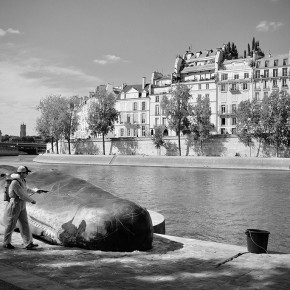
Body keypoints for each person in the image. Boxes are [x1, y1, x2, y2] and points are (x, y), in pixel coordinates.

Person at [3, 165, 46, 250]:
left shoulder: (22, 180)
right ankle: (6, 243)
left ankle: (28, 243)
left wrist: (36, 191)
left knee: (24, 223)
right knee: (11, 224)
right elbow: (22, 195)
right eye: (26, 172)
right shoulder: (15, 182)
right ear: (22, 173)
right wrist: (32, 200)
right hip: (15, 204)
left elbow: (25, 190)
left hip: (21, 205)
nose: (27, 174)